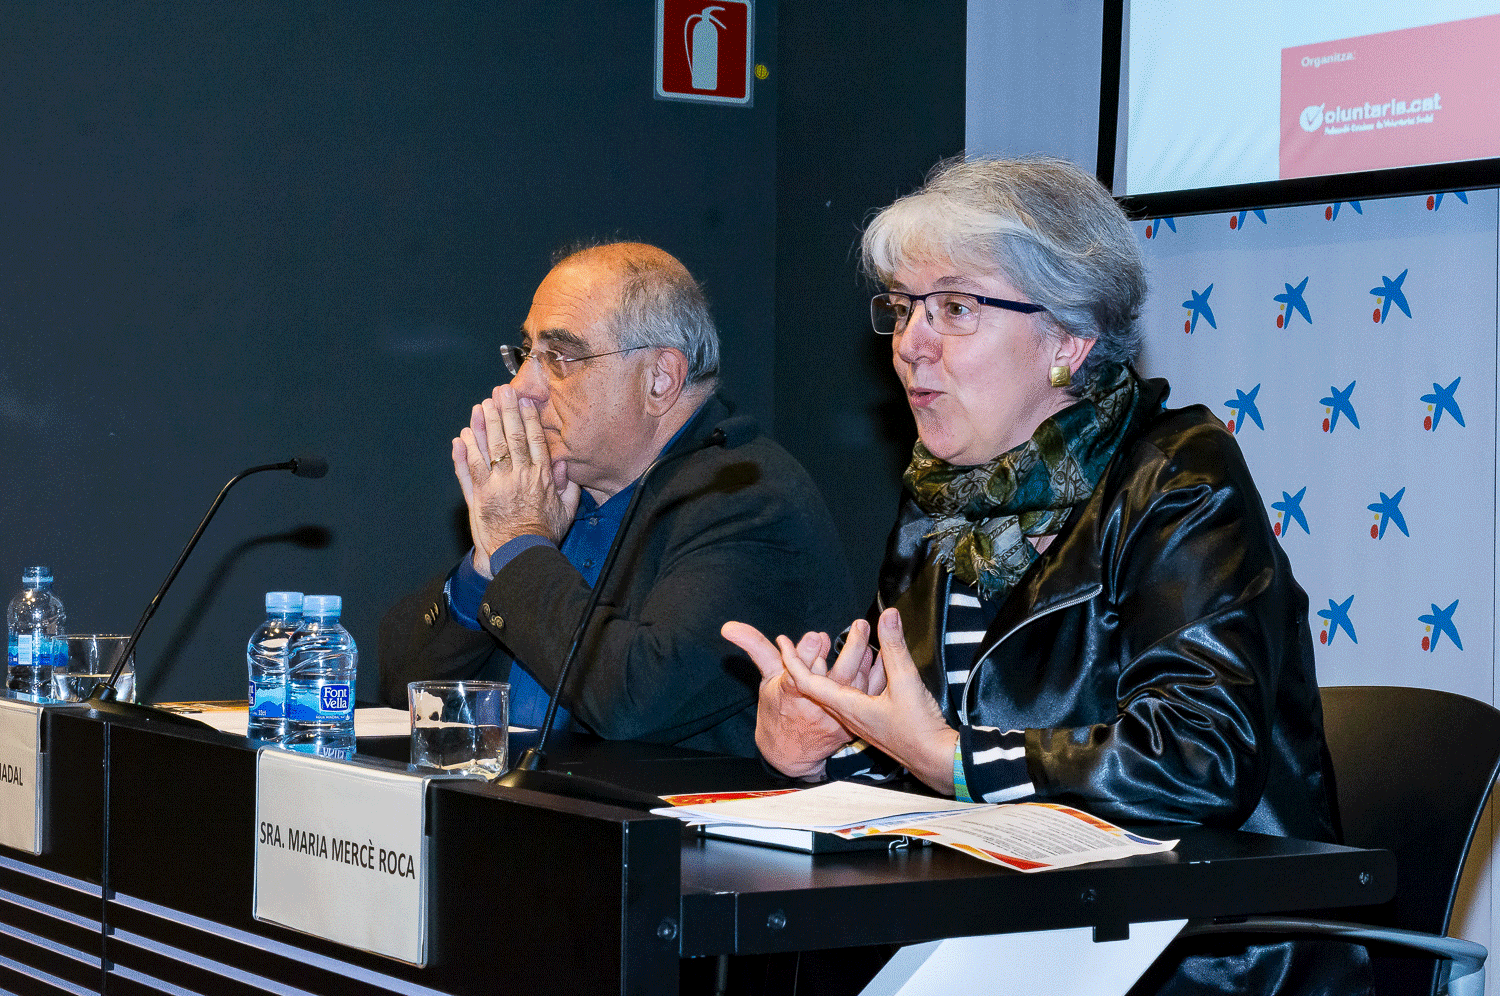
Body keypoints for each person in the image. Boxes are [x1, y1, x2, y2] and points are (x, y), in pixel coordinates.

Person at [722, 158, 1369, 995]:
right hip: (1006, 940)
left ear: (1068, 341)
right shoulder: (940, 503)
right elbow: (935, 765)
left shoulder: (1177, 479)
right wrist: (826, 745)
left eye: (956, 308)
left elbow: (1197, 759)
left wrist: (951, 758)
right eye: (904, 307)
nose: (911, 343)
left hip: (1196, 959)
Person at [381, 242, 854, 756]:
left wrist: (519, 545)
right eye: (526, 354)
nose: (520, 387)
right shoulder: (556, 491)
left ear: (660, 379)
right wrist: (488, 560)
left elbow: (636, 702)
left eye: (559, 358)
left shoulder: (745, 496)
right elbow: (400, 690)